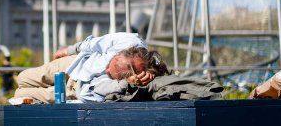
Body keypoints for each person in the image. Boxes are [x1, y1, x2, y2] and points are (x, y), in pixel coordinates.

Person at [13, 32, 169, 103]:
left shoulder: (131, 81)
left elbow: (106, 90)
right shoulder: (129, 41)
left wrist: (133, 82)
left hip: (75, 91)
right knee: (23, 78)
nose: (106, 71)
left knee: (20, 93)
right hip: (76, 64)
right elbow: (94, 43)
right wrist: (69, 50)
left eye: (112, 74)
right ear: (124, 53)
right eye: (111, 64)